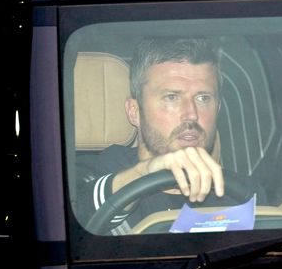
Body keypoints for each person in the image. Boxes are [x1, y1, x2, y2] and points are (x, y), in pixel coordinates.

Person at [77, 37, 260, 234]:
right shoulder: (88, 174)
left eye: (203, 98)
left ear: (218, 109)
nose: (191, 114)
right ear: (134, 111)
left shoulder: (241, 194)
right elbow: (72, 220)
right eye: (171, 97)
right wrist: (143, 174)